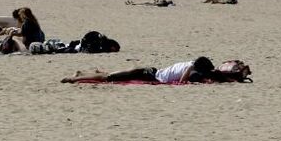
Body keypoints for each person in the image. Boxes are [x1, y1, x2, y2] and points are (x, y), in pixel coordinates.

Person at [61, 57, 216, 84]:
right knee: (108, 78)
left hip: (151, 72)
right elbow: (182, 81)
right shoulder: (190, 67)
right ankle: (73, 78)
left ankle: (82, 74)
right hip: (149, 75)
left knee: (113, 76)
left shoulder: (190, 62)